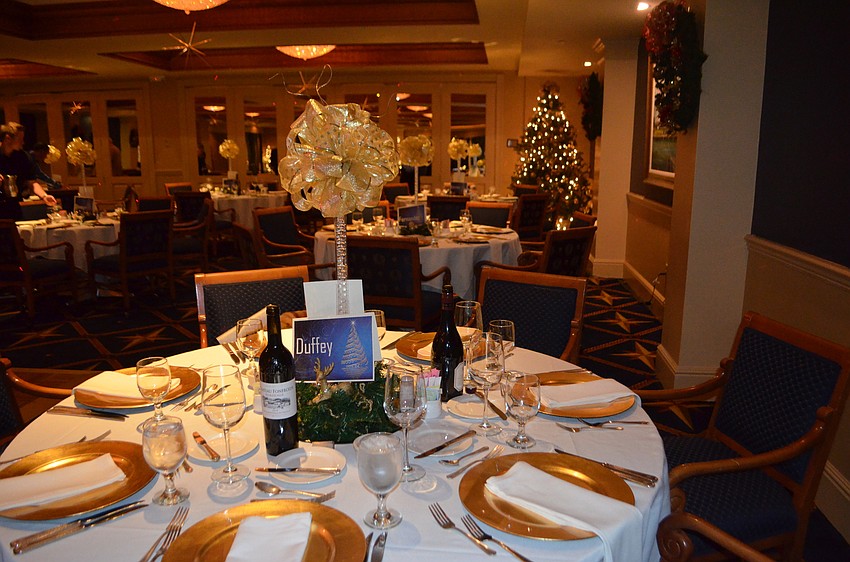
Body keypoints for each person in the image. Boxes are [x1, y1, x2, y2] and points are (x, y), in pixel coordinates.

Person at [0, 125, 57, 220]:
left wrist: (44, 196)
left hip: (14, 205)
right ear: (8, 138)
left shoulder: (23, 157)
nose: (23, 142)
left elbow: (31, 181)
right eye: (20, 139)